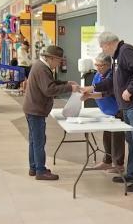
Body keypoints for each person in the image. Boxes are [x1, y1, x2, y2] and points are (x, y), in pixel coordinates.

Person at [81, 32, 133, 192]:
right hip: (127, 106)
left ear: (109, 43)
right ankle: (132, 173)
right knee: (131, 140)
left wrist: (130, 90)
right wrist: (92, 88)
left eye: (102, 46)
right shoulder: (116, 57)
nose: (102, 49)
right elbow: (111, 81)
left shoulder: (126, 51)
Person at [23, 45, 79, 181]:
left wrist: (66, 82)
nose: (59, 64)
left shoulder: (41, 66)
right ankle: (40, 171)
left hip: (33, 108)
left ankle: (34, 167)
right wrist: (69, 87)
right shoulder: (42, 68)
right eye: (59, 61)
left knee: (34, 140)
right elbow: (48, 89)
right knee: (39, 141)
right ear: (52, 58)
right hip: (36, 110)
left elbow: (49, 83)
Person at [81, 53, 126, 173]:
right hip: (107, 112)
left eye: (100, 65)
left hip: (117, 111)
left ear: (107, 65)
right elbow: (98, 91)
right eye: (96, 64)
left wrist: (90, 92)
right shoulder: (97, 74)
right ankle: (107, 161)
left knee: (117, 138)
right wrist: (89, 95)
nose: (97, 67)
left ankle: (119, 165)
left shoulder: (113, 75)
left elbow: (106, 90)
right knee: (107, 137)